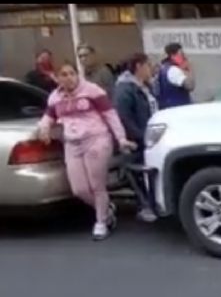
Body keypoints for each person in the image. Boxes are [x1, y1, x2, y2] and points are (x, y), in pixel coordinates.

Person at [37, 62, 136, 241]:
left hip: (96, 139)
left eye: (72, 73)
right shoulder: (55, 97)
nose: (69, 78)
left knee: (97, 185)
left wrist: (121, 138)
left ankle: (101, 222)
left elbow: (110, 115)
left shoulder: (92, 90)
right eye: (64, 74)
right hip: (72, 143)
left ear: (77, 75)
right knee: (79, 189)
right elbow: (48, 117)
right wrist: (44, 129)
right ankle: (106, 209)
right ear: (58, 78)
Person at [113, 52, 159, 223]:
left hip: (149, 136)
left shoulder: (144, 86)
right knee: (138, 173)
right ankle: (144, 205)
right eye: (148, 65)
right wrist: (140, 137)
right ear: (139, 66)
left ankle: (151, 203)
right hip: (137, 140)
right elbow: (124, 117)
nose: (150, 69)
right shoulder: (125, 89)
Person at [156, 42, 194, 109]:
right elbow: (190, 86)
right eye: (181, 54)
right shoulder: (173, 70)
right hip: (177, 109)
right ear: (173, 56)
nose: (184, 57)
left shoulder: (164, 68)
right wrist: (188, 70)